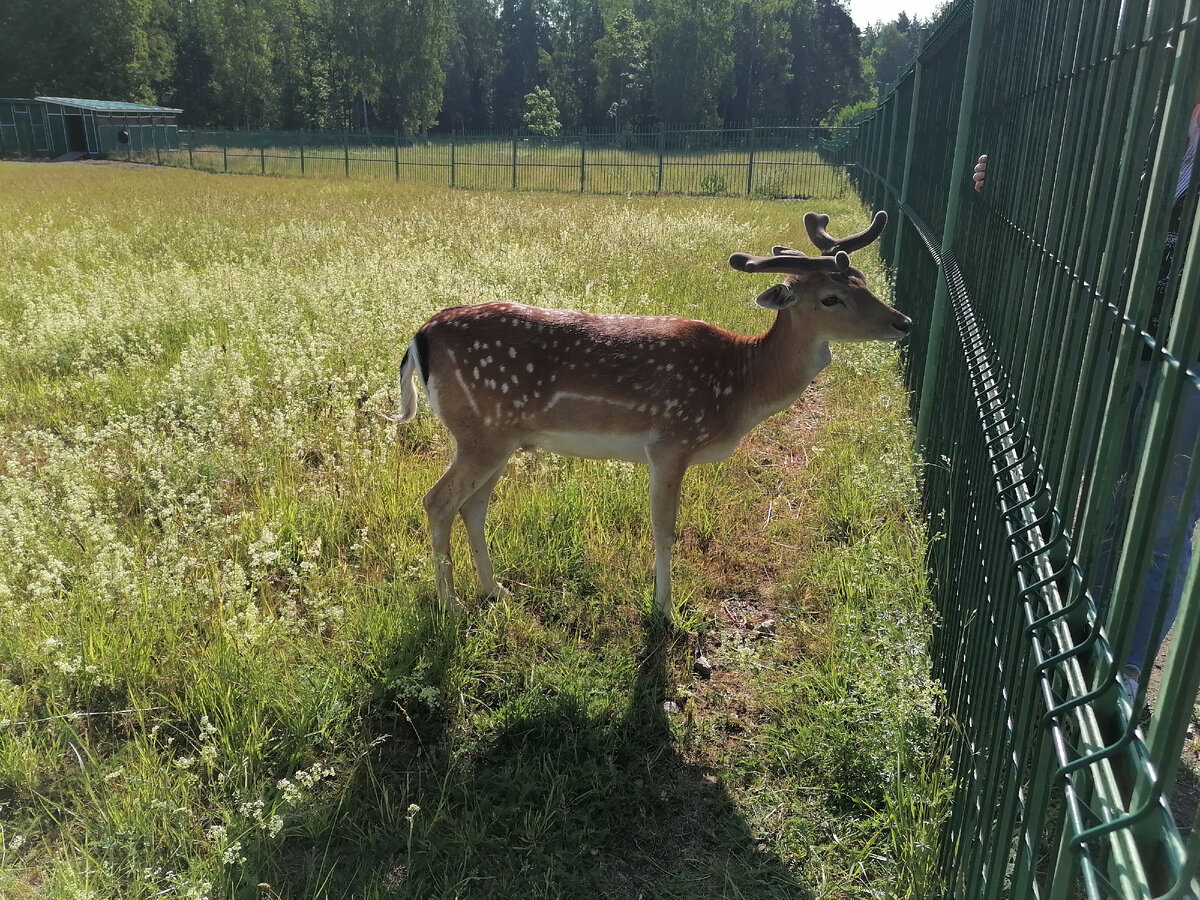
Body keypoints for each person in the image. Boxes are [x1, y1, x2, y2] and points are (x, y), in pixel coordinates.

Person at [971, 90, 1200, 705]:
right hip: (1123, 347)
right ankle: (1087, 633)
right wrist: (1008, 185)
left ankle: (1124, 674)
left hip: (1190, 369)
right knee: (1103, 498)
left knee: (1163, 527)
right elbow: (1083, 195)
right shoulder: (1156, 118)